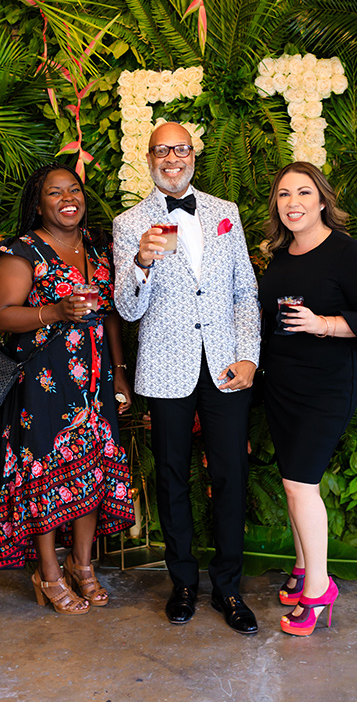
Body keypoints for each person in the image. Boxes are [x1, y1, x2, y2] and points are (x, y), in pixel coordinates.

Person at [112, 122, 260, 634]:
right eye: (161, 150)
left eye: (179, 148)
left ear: (192, 153)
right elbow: (128, 310)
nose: (171, 158)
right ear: (148, 157)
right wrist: (142, 263)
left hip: (224, 367)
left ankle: (230, 588)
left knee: (230, 476)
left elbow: (245, 292)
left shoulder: (226, 214)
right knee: (172, 476)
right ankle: (182, 583)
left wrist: (249, 358)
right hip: (166, 369)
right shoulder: (128, 223)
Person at [0, 163, 135, 614]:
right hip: (42, 385)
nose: (68, 198)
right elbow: (3, 314)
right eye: (55, 192)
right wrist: (55, 311)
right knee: (46, 478)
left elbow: (108, 314)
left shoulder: (99, 247)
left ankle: (82, 568)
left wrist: (120, 372)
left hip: (94, 382)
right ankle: (48, 572)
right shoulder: (22, 251)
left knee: (90, 474)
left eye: (74, 189)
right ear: (39, 203)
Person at [259, 161, 357, 636]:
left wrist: (324, 325)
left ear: (322, 200)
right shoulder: (282, 255)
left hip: (327, 385)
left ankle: (317, 590)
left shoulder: (350, 254)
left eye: (303, 193)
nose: (293, 202)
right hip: (282, 383)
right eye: (284, 194)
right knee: (294, 481)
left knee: (300, 485)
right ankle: (300, 568)